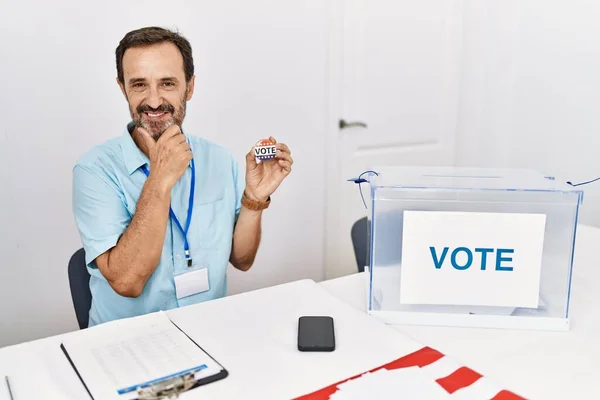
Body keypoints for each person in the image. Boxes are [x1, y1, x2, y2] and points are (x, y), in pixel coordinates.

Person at [72, 26, 293, 327]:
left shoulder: (219, 159)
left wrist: (254, 199)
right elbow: (127, 281)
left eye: (167, 83)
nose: (153, 101)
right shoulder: (94, 171)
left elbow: (242, 260)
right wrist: (160, 178)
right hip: (127, 342)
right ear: (123, 88)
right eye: (139, 85)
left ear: (189, 87)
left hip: (208, 333)